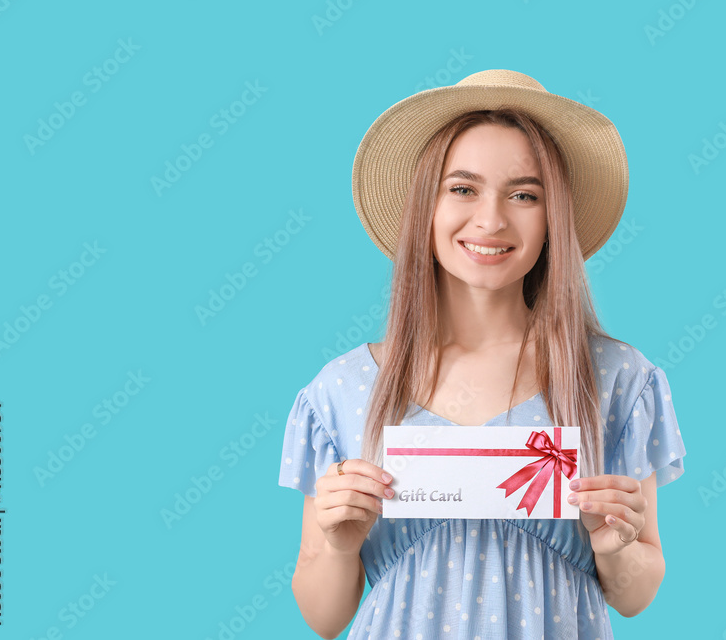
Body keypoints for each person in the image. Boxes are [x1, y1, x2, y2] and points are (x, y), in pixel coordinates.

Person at [278, 69, 687, 639]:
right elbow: (323, 618)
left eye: (524, 195)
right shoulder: (343, 389)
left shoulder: (618, 380)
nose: (491, 220)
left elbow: (637, 595)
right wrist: (339, 542)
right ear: (426, 206)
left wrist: (615, 545)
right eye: (462, 188)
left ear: (554, 218)